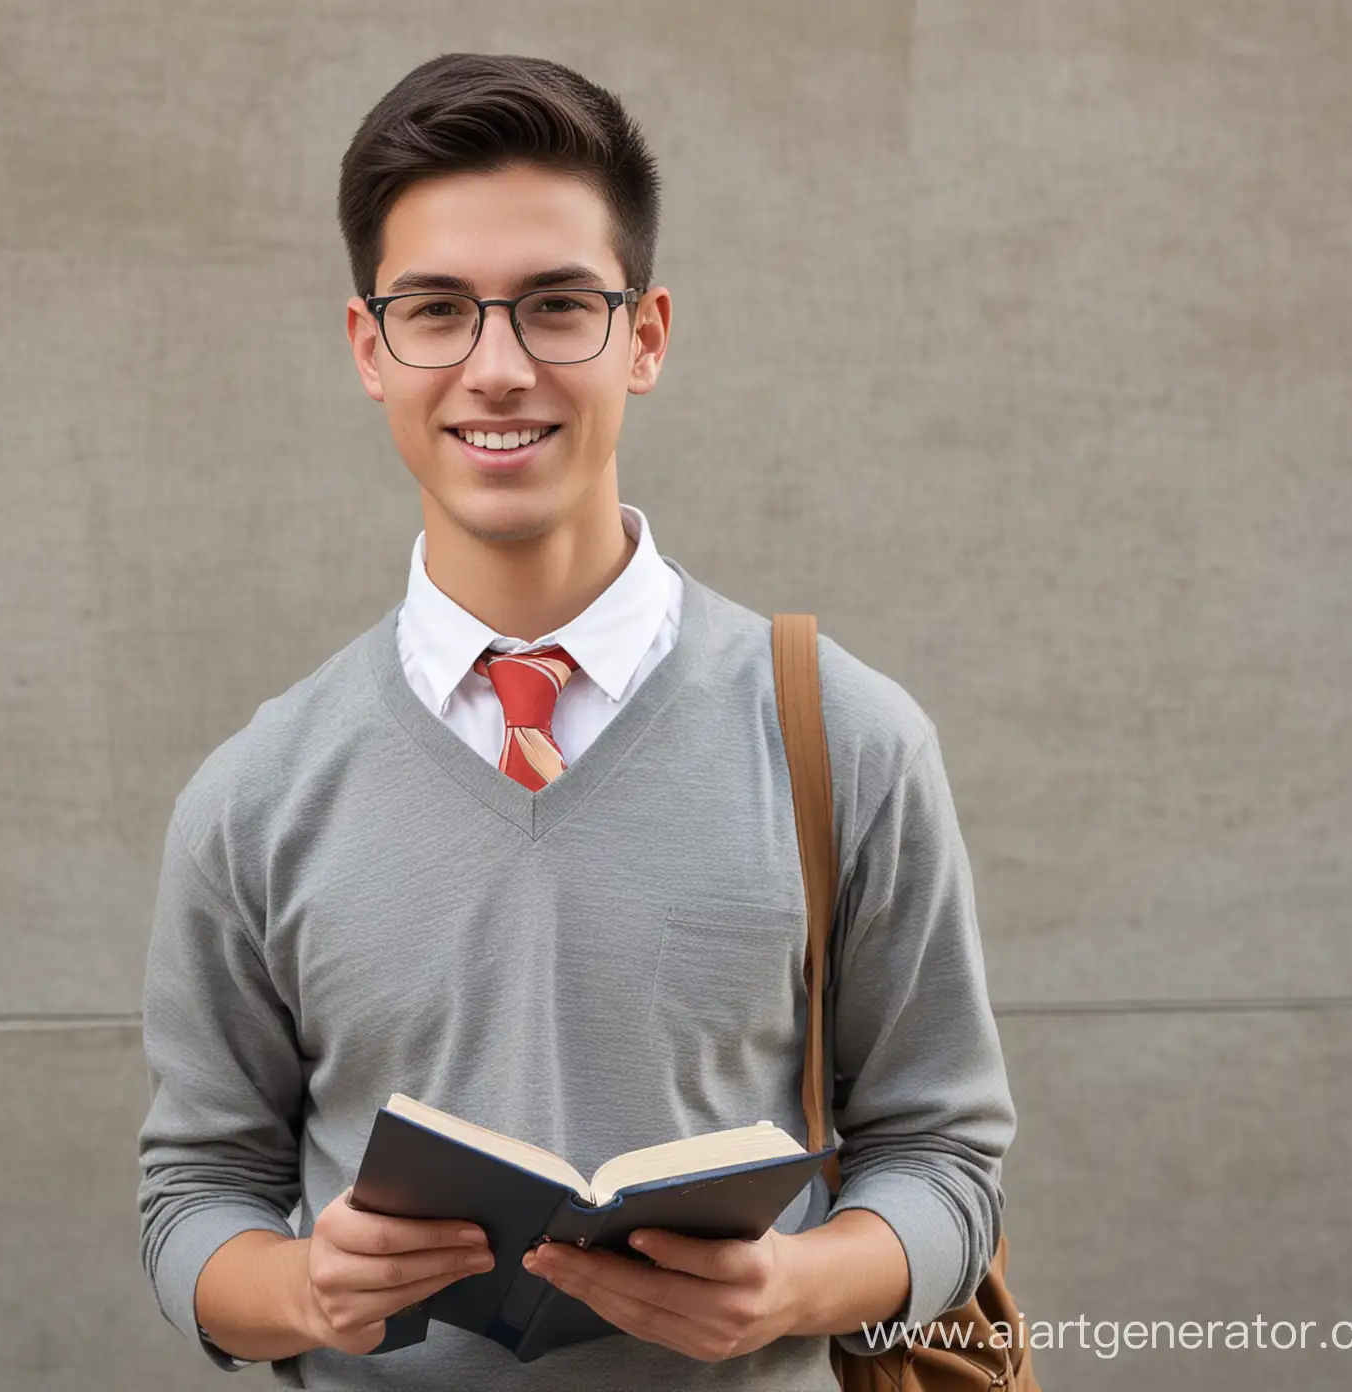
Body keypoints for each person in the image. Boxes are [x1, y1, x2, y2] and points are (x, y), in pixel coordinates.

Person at [137, 51, 1015, 1391]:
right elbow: (195, 1199)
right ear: (371, 348)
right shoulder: (254, 795)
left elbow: (946, 1161)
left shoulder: (847, 740)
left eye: (556, 306)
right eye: (438, 309)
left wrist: (790, 1287)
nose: (497, 369)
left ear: (645, 336)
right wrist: (306, 1289)